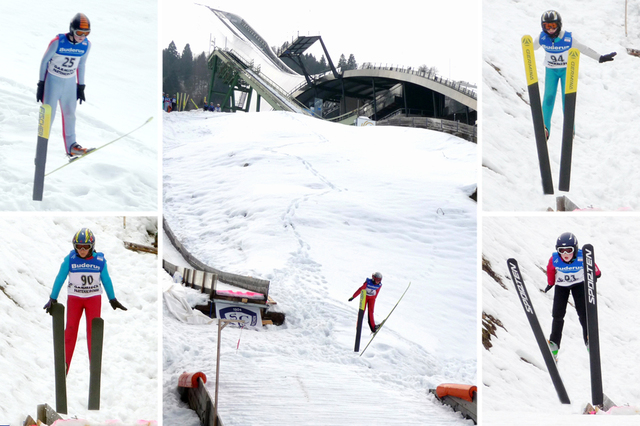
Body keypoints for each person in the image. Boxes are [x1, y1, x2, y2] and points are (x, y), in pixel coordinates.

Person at [43, 228, 127, 373]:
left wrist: (112, 298)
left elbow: (106, 280)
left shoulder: (99, 261)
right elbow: (60, 277)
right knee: (70, 330)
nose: (82, 250)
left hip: (93, 299)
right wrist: (53, 298)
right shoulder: (70, 259)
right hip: (75, 299)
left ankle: (93, 365)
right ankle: (64, 364)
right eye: (79, 247)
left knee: (92, 332)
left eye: (86, 247)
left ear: (92, 246)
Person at [534, 10, 616, 139]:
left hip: (567, 71)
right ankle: (545, 128)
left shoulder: (567, 38)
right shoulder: (542, 38)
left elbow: (583, 48)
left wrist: (600, 57)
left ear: (559, 25)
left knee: (567, 99)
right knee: (549, 97)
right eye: (547, 26)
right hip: (551, 71)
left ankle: (569, 128)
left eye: (553, 26)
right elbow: (530, 47)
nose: (550, 30)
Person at [37, 13, 93, 157]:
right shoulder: (57, 42)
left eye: (86, 33)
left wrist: (81, 86)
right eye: (79, 32)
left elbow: (81, 64)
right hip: (53, 81)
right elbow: (44, 62)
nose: (82, 36)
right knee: (48, 114)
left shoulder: (86, 45)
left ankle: (72, 147)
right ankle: (42, 146)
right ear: (72, 30)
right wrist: (41, 84)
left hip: (69, 83)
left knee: (70, 114)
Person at [544, 232, 601, 360]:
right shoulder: (554, 259)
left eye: (568, 250)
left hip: (578, 285)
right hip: (561, 286)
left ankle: (588, 339)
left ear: (575, 249)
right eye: (561, 251)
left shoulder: (583, 256)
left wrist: (594, 275)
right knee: (557, 315)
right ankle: (554, 344)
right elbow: (550, 271)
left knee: (583, 313)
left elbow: (596, 270)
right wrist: (550, 283)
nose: (565, 255)